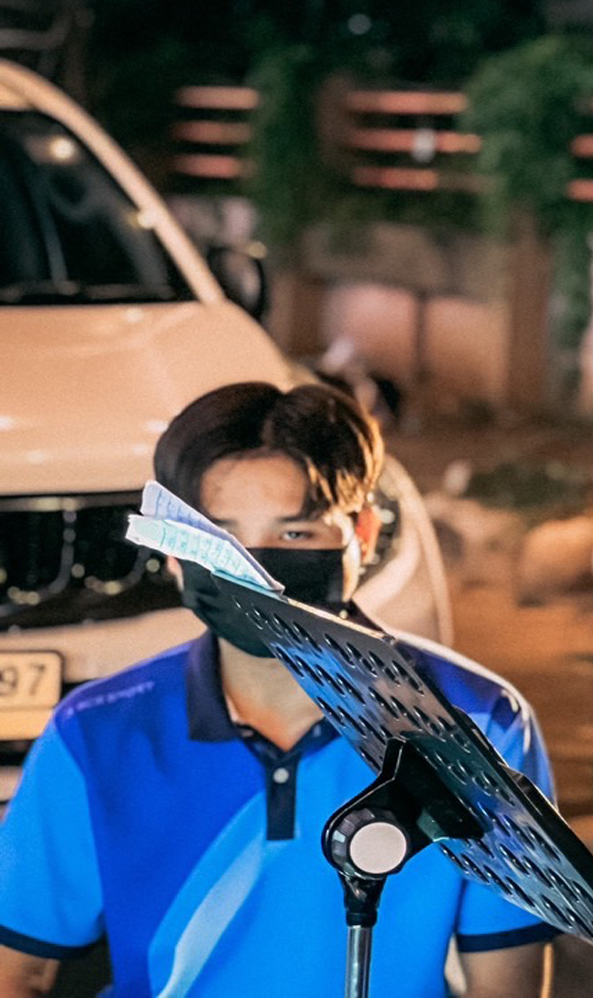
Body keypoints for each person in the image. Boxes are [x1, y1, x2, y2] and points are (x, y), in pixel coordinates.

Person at [0, 382, 555, 998]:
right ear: (174, 552)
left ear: (362, 535)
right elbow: (16, 971)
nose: (255, 571)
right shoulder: (96, 735)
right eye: (221, 540)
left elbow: (508, 984)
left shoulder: (480, 724)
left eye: (294, 536)